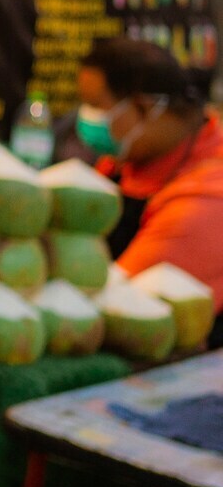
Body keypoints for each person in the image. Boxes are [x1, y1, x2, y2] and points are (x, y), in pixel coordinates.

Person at [78, 38, 223, 299]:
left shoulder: (206, 199)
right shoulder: (125, 160)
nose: (85, 117)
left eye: (96, 106)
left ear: (144, 108)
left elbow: (121, 301)